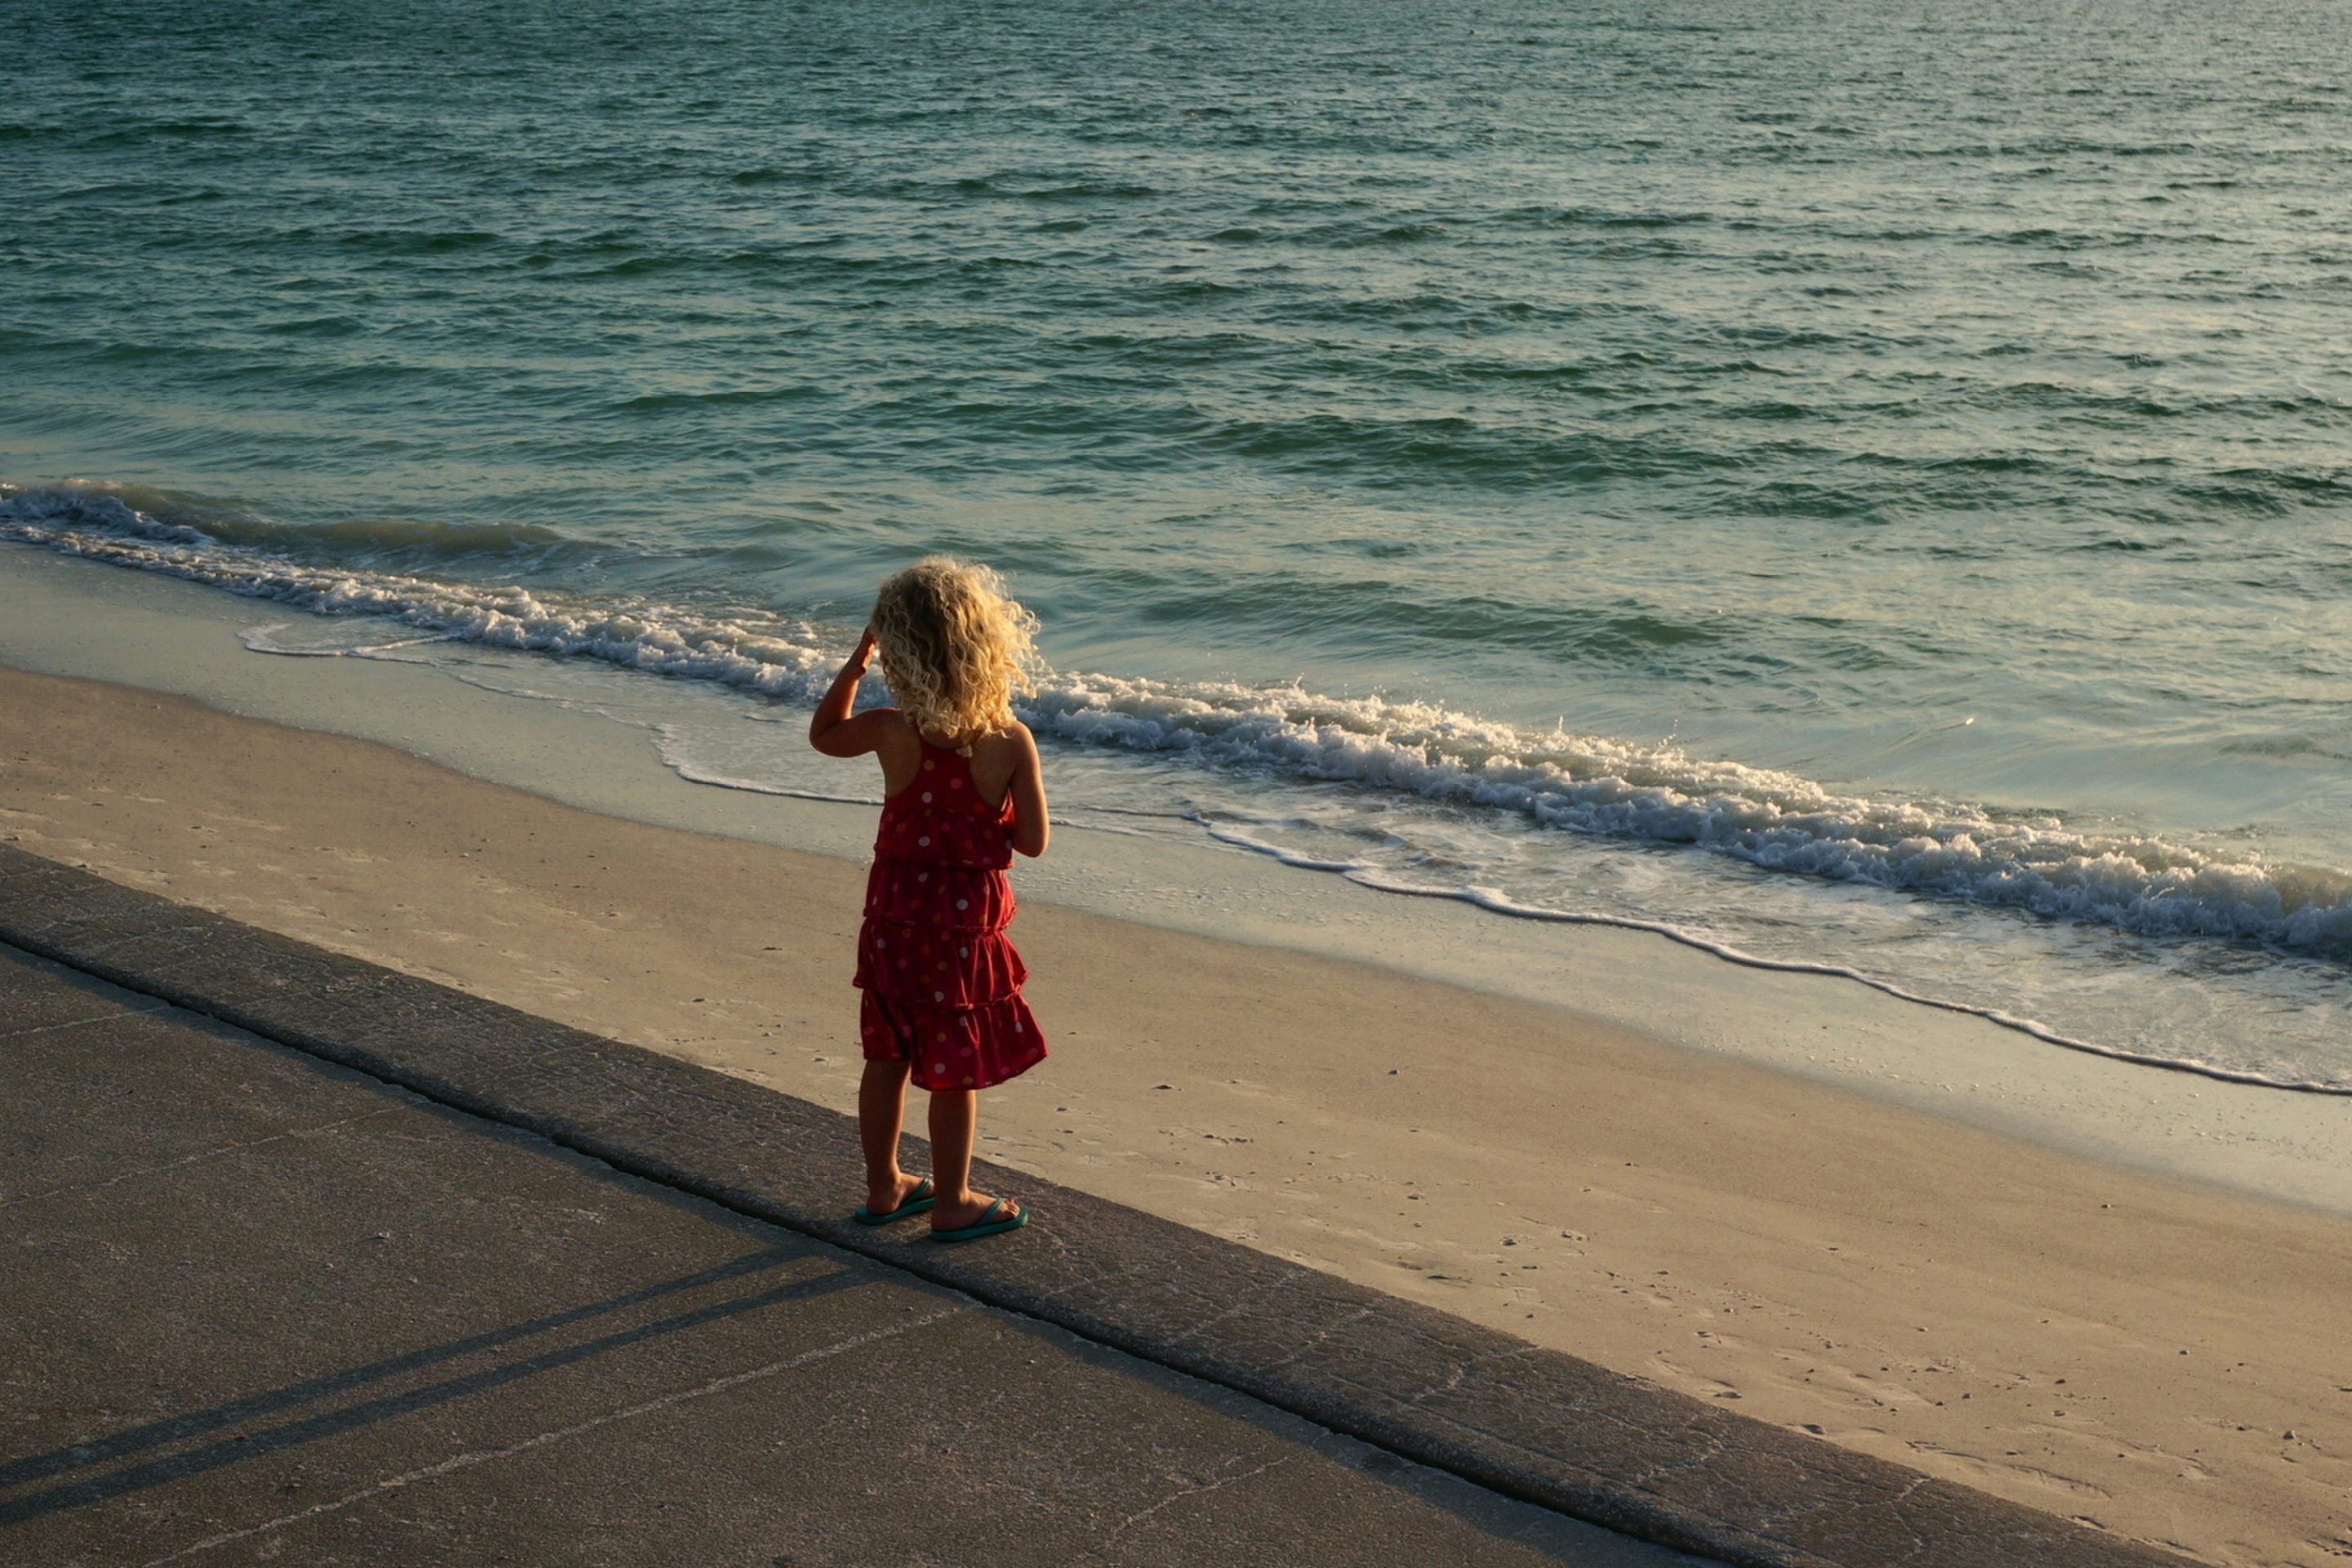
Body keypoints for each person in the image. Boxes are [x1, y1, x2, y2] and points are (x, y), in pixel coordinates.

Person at [808, 557, 1049, 1243]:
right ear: (986, 644)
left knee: (886, 1055)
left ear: (898, 649)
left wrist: (854, 665)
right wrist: (983, 824)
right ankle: (952, 1200)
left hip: (892, 924)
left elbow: (824, 737)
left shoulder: (891, 728)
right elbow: (1031, 842)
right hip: (961, 935)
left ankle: (885, 1186)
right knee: (952, 1069)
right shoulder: (1008, 739)